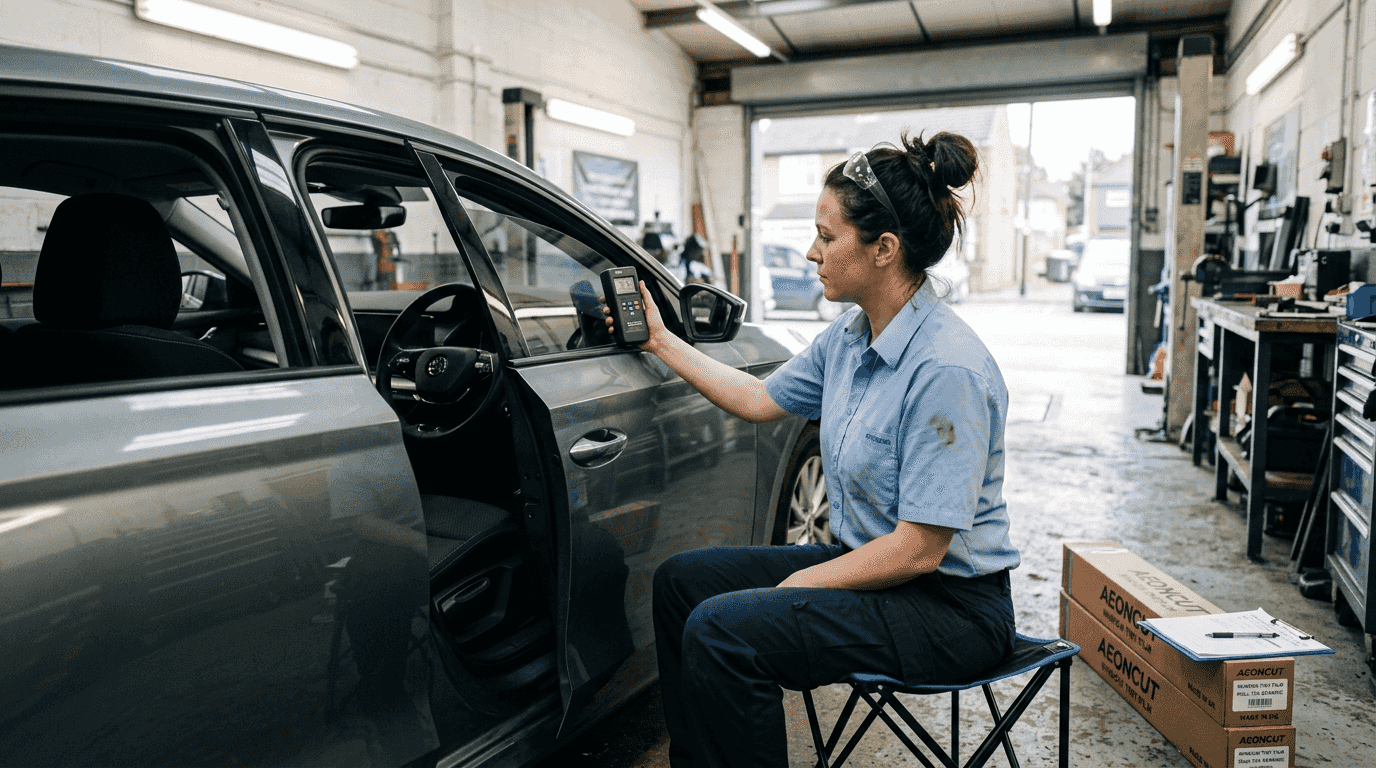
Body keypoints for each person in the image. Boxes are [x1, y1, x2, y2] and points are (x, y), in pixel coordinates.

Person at [604, 131, 1019, 768]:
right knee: (682, 585)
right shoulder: (851, 338)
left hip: (949, 610)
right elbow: (754, 397)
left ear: (884, 248)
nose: (810, 251)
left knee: (725, 630)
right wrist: (659, 340)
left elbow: (919, 548)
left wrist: (801, 580)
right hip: (872, 573)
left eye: (827, 237)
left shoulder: (946, 369)